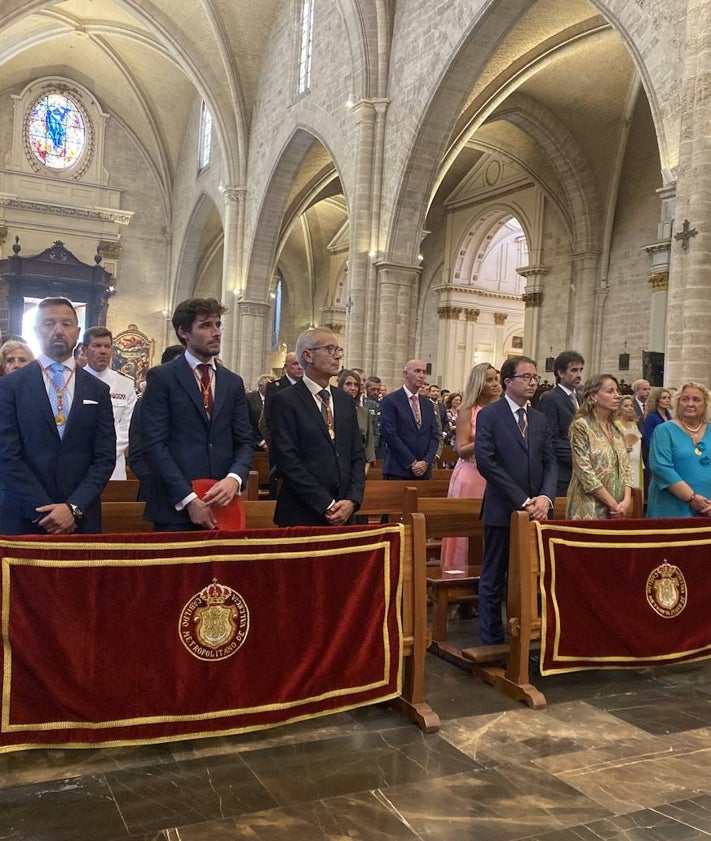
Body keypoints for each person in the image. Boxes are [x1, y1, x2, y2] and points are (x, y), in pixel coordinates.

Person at [0, 297, 116, 534]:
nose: (58, 331)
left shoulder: (97, 389)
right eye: (48, 323)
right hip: (26, 515)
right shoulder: (11, 386)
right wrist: (43, 510)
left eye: (66, 324)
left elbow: (104, 457)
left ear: (78, 331)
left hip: (81, 517)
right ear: (36, 331)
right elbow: (7, 454)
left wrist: (73, 508)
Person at [140, 297, 254, 531]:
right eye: (205, 325)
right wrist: (188, 499)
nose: (216, 332)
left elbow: (245, 441)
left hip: (222, 502)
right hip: (176, 507)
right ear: (184, 332)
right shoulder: (163, 378)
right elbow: (154, 445)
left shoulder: (232, 382)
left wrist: (234, 479)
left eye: (218, 325)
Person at [474, 356, 557, 645]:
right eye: (526, 377)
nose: (533, 382)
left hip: (539, 512)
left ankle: (532, 634)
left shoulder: (539, 418)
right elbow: (487, 462)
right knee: (494, 575)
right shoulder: (490, 415)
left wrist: (545, 498)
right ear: (508, 382)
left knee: (536, 573)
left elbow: (550, 461)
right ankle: (492, 641)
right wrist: (524, 500)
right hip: (503, 509)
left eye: (535, 377)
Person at [269, 328, 365, 526]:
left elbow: (356, 455)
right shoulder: (285, 400)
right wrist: (326, 503)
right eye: (330, 349)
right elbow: (288, 461)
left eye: (338, 349)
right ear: (308, 355)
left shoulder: (344, 401)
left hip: (345, 512)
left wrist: (352, 500)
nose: (338, 355)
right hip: (303, 512)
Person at [440, 363, 501, 574]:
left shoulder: (501, 408)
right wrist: (487, 439)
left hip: (496, 475)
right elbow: (462, 449)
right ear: (478, 382)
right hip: (472, 474)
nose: (495, 384)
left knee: (491, 532)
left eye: (496, 379)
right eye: (490, 379)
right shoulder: (468, 409)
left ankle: (490, 578)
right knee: (466, 532)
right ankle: (460, 576)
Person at [566, 374, 633, 519]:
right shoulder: (581, 426)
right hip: (589, 507)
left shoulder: (617, 427)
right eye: (610, 391)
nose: (617, 396)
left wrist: (626, 501)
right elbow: (584, 472)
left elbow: (626, 467)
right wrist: (612, 504)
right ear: (594, 396)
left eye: (617, 391)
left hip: (619, 509)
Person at [647, 382, 711, 518]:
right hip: (672, 506)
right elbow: (661, 468)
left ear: (705, 405)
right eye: (685, 399)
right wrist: (692, 498)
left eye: (696, 400)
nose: (690, 404)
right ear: (678, 403)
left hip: (708, 507)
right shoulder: (664, 430)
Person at [82, 326, 137, 480]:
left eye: (107, 346)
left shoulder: (124, 384)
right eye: (97, 345)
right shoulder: (73, 381)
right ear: (85, 350)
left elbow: (127, 426)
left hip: (113, 465)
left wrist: (106, 453)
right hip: (80, 462)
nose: (103, 351)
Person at [380, 359, 440, 480]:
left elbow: (434, 435)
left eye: (424, 372)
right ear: (405, 373)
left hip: (424, 471)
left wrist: (426, 461)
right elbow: (391, 435)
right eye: (417, 371)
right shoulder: (391, 401)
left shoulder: (427, 404)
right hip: (398, 470)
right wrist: (412, 462)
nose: (422, 376)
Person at [537, 350, 585, 498]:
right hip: (562, 471)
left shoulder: (580, 398)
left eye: (581, 370)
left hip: (579, 471)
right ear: (561, 373)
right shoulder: (550, 398)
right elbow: (551, 438)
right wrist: (578, 461)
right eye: (574, 370)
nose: (579, 375)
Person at [337, 368, 376, 471]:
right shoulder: (333, 410)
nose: (353, 388)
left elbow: (369, 443)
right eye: (348, 384)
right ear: (341, 386)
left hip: (359, 463)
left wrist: (366, 466)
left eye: (356, 385)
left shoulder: (364, 413)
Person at [619, 395, 644, 494]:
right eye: (626, 406)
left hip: (636, 462)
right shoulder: (616, 424)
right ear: (619, 408)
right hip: (624, 463)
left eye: (631, 405)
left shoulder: (634, 424)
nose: (630, 408)